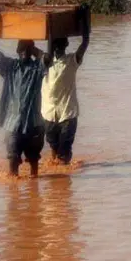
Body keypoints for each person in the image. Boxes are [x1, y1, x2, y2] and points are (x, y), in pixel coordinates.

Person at [0, 22, 44, 177]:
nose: (24, 51)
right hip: (13, 125)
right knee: (12, 165)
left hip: (34, 126)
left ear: (32, 51)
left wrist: (36, 50)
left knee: (34, 172)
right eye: (22, 48)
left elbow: (48, 58)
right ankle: (15, 197)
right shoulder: (10, 67)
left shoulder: (37, 68)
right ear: (18, 51)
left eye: (28, 48)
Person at [41, 9, 90, 165]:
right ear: (53, 46)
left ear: (66, 45)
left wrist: (84, 22)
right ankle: (59, 183)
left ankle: (63, 185)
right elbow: (40, 49)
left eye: (61, 45)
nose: (58, 48)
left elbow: (85, 42)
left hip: (67, 113)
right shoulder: (46, 61)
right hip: (49, 113)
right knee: (53, 151)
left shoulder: (72, 61)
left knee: (64, 155)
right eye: (56, 45)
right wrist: (49, 24)